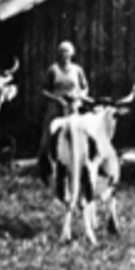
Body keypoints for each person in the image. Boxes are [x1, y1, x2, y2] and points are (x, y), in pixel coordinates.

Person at [38, 41, 90, 181]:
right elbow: (44, 90)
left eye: (67, 52)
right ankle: (47, 168)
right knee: (48, 139)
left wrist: (79, 97)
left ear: (72, 54)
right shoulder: (53, 70)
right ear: (58, 54)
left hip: (73, 107)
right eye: (62, 52)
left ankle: (79, 168)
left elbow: (85, 88)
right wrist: (57, 99)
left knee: (80, 136)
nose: (65, 55)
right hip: (56, 108)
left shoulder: (77, 69)